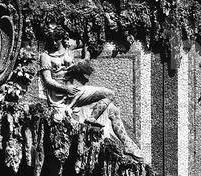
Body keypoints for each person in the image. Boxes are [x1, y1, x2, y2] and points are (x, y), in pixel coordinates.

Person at [38, 25, 145, 160]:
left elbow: (88, 41)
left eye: (56, 40)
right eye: (51, 40)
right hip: (60, 99)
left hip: (76, 93)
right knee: (110, 108)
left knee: (110, 97)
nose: (53, 43)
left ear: (61, 38)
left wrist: (85, 59)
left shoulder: (69, 46)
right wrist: (66, 89)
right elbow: (48, 81)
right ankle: (91, 121)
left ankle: (123, 141)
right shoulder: (45, 56)